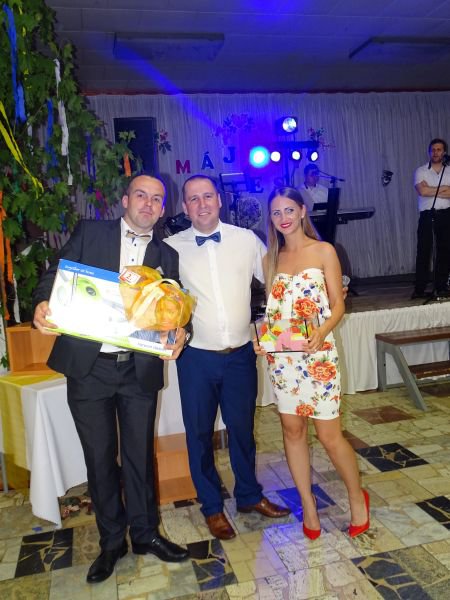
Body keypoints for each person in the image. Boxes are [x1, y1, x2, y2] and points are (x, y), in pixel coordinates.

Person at [32, 174, 189, 584]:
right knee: (99, 459)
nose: (148, 204)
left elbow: (175, 310)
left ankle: (145, 534)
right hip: (90, 368)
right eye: (141, 195)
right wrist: (43, 301)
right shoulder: (91, 233)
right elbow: (55, 275)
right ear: (125, 200)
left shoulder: (167, 254)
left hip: (138, 368)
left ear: (162, 208)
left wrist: (180, 333)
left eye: (157, 199)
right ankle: (111, 542)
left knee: (139, 456)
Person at [163, 174, 290, 540]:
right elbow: (156, 299)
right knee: (199, 435)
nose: (201, 204)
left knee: (242, 431)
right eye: (193, 199)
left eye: (207, 196)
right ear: (185, 207)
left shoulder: (246, 239)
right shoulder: (170, 248)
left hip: (240, 357)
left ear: (219, 200)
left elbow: (276, 281)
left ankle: (248, 495)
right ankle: (212, 507)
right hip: (196, 359)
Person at [253, 186, 369, 540]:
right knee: (292, 431)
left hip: (319, 355)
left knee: (330, 436)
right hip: (283, 361)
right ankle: (309, 505)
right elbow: (273, 314)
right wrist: (263, 340)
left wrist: (322, 331)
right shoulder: (270, 260)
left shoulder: (324, 251)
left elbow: (338, 305)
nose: (283, 218)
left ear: (302, 211)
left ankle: (356, 497)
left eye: (289, 210)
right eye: (276, 212)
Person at [412, 138, 450, 299]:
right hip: (427, 215)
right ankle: (419, 289)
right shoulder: (421, 171)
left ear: (444, 152)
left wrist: (430, 189)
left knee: (445, 251)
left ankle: (441, 287)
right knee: (424, 251)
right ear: (429, 152)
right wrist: (444, 188)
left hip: (446, 214)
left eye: (439, 149)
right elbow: (422, 191)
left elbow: (428, 191)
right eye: (433, 150)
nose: (435, 152)